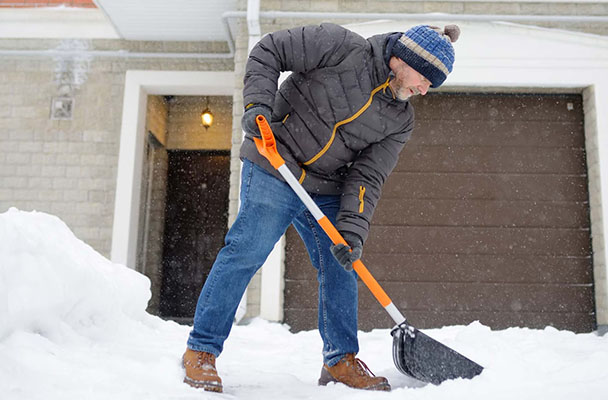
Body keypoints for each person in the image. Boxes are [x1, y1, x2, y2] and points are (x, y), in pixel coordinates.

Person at [182, 22, 459, 393]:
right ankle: (201, 351)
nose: (425, 90)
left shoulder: (400, 120)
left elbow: (368, 176)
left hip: (326, 185)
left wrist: (352, 231)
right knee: (248, 249)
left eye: (431, 86)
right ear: (402, 59)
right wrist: (257, 105)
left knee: (342, 262)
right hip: (274, 158)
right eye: (426, 79)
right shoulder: (341, 46)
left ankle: (340, 360)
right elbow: (268, 51)